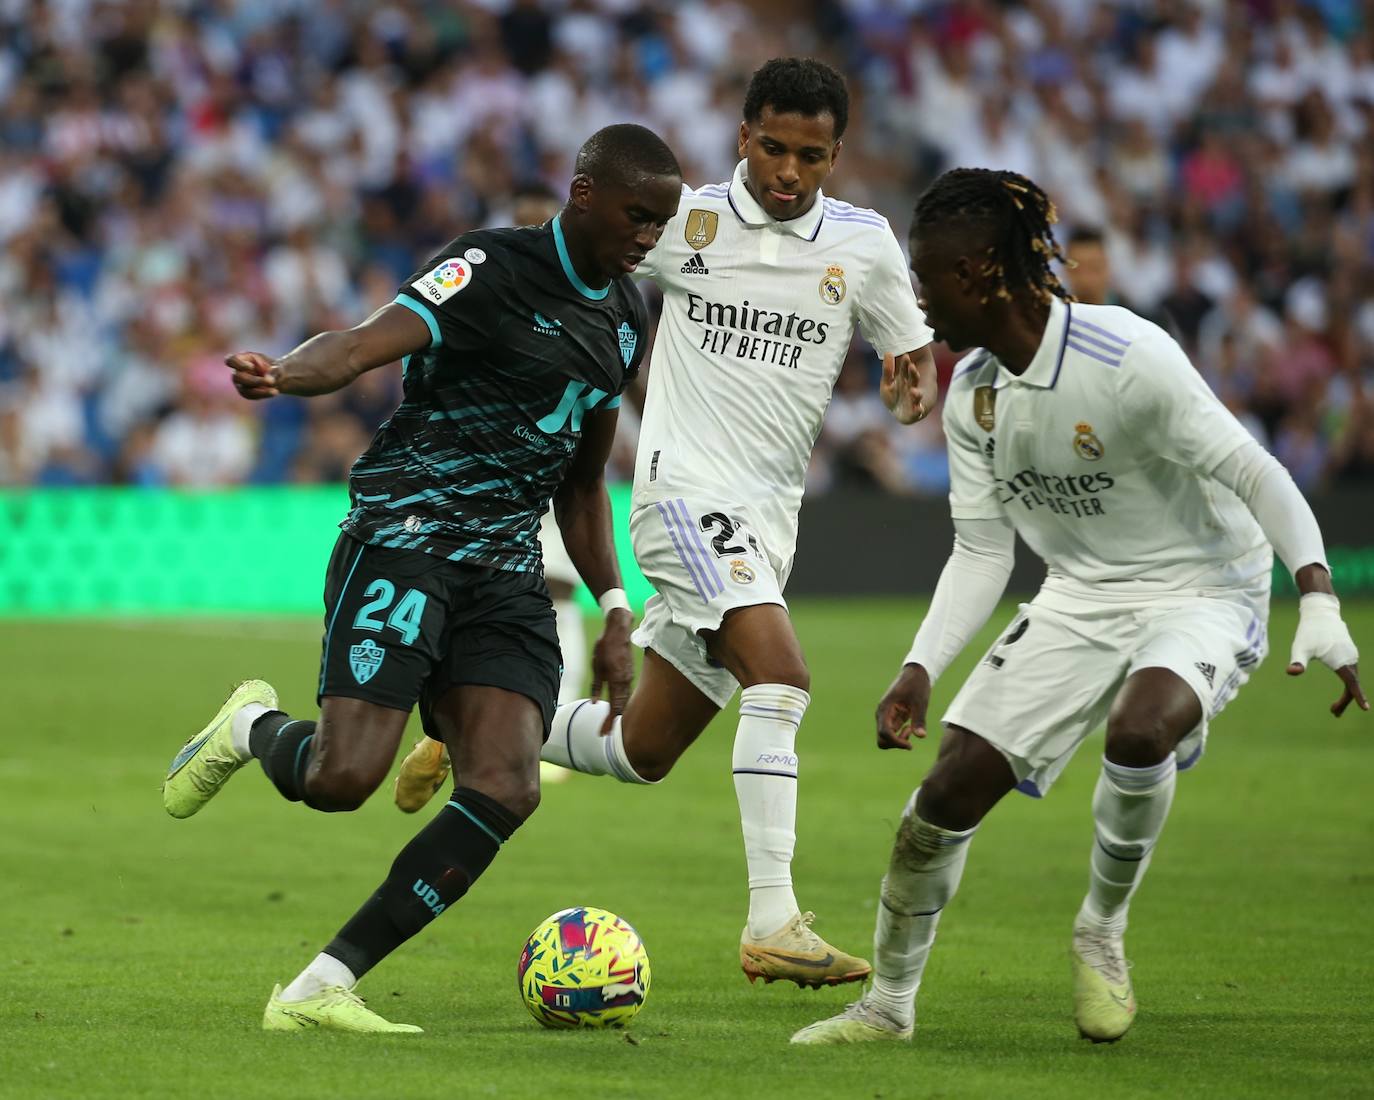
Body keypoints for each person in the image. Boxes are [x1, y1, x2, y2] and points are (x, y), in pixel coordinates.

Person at [397, 57, 938, 989]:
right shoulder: (681, 223)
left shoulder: (865, 245)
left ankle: (467, 728)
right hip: (682, 499)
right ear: (742, 137)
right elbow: (569, 267)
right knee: (783, 678)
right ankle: (775, 920)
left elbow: (912, 352)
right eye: (772, 147)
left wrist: (912, 379)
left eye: (811, 155)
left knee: (640, 748)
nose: (788, 172)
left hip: (769, 522)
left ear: (836, 156)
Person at [791, 168, 1366, 1046]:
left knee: (1139, 734)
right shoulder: (975, 394)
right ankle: (888, 1006)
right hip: (1081, 594)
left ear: (980, 272)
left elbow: (1255, 472)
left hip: (1205, 582)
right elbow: (984, 551)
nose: (916, 297)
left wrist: (1316, 594)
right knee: (944, 795)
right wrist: (919, 668)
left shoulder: (1126, 356)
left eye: (926, 276)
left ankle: (1101, 928)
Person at [159, 124, 682, 1034]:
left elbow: (584, 481)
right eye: (639, 215)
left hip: (506, 568)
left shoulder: (627, 318)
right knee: (343, 777)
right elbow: (362, 346)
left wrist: (613, 605)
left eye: (663, 221)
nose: (648, 235)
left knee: (507, 784)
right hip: (407, 539)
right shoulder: (489, 265)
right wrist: (285, 373)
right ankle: (251, 726)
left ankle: (323, 984)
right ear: (586, 192)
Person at [392, 179, 584, 810]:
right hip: (488, 478)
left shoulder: (587, 303)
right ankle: (449, 728)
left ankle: (526, 728)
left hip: (554, 475)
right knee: (475, 593)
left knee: (553, 593)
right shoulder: (486, 278)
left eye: (540, 221)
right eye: (523, 221)